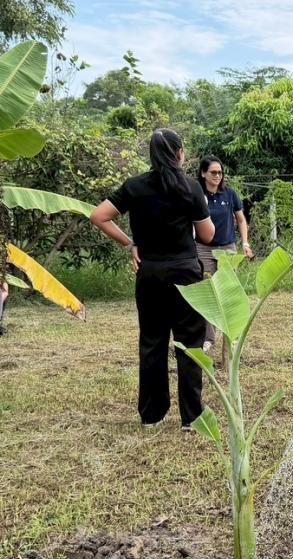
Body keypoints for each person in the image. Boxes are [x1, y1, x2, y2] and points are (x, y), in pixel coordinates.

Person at [89, 129, 215, 429]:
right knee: (189, 343)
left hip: (150, 273)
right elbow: (208, 235)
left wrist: (130, 243)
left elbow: (99, 216)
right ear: (179, 153)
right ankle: (192, 417)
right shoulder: (190, 187)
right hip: (186, 273)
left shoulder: (134, 186)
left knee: (152, 342)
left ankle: (152, 415)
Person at [196, 155, 252, 352]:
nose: (217, 176)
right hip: (203, 249)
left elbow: (241, 220)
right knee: (208, 292)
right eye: (213, 172)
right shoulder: (197, 195)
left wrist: (245, 242)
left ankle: (231, 336)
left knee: (229, 292)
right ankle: (208, 338)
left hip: (227, 248)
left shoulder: (229, 194)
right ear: (203, 173)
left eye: (220, 172)